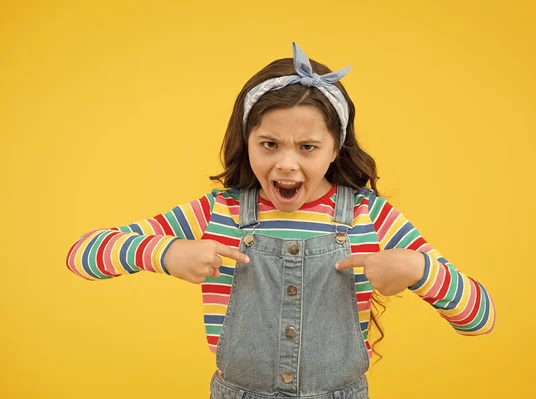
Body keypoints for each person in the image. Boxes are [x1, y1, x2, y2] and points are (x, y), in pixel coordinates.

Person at [66, 42, 495, 399]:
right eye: (269, 144)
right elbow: (82, 255)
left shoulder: (370, 215)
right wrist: (165, 252)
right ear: (246, 142)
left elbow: (480, 317)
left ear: (335, 149)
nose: (286, 164)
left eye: (307, 147)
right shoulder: (222, 211)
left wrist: (420, 270)